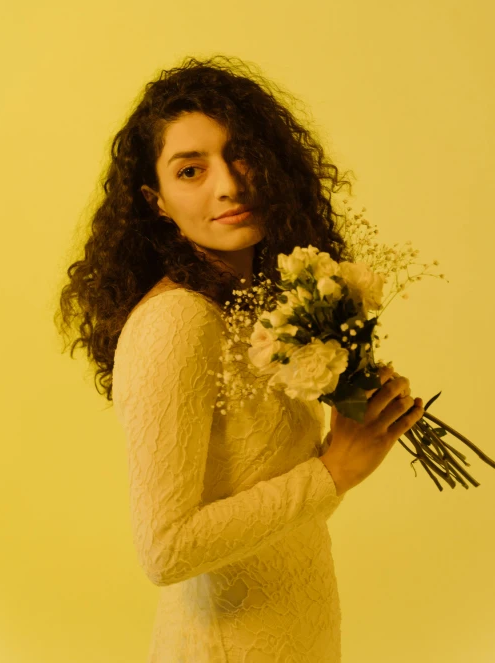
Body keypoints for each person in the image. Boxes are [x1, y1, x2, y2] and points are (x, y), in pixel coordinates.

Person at [55, 55, 424, 662]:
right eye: (192, 170)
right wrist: (334, 471)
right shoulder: (178, 321)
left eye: (240, 154)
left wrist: (361, 417)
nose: (228, 184)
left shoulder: (257, 308)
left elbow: (264, 489)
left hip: (300, 633)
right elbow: (165, 550)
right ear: (157, 201)